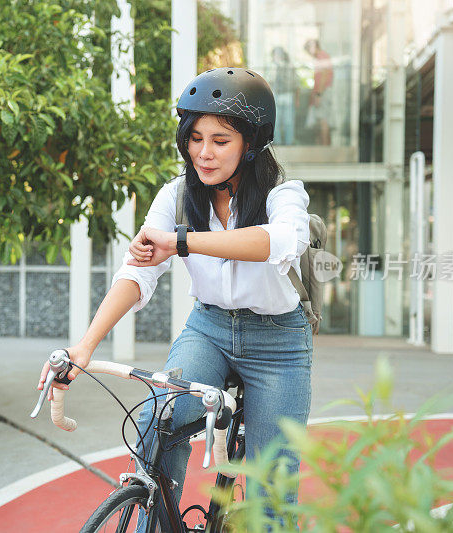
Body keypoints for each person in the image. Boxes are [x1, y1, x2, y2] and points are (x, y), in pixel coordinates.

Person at [37, 67, 312, 528]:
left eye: (220, 140)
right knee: (155, 424)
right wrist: (84, 346)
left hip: (280, 344)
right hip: (209, 328)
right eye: (195, 137)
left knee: (274, 494)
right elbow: (136, 274)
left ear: (251, 144)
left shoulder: (283, 195)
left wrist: (182, 241)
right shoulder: (178, 195)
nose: (203, 153)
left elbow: (279, 242)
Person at [304, 38, 333, 146]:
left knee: (323, 120)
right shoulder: (320, 57)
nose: (309, 53)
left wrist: (319, 94)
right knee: (321, 120)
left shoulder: (322, 56)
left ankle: (325, 147)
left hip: (323, 92)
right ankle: (323, 146)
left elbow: (325, 75)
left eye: (308, 50)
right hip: (321, 92)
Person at [270, 46, 298, 146]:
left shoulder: (289, 66)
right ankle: (278, 142)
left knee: (288, 121)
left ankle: (288, 142)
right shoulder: (273, 67)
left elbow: (295, 83)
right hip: (277, 96)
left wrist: (296, 99)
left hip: (287, 96)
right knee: (277, 122)